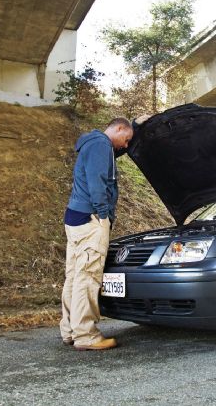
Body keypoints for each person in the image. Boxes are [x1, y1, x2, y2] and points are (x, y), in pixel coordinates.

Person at [60, 115, 150, 351]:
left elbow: (112, 154)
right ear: (118, 129)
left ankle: (70, 330)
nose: (127, 145)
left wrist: (136, 125)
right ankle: (86, 335)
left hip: (75, 217)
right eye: (127, 138)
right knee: (88, 277)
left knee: (74, 276)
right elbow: (97, 182)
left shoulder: (95, 144)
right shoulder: (100, 145)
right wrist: (103, 216)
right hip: (91, 218)